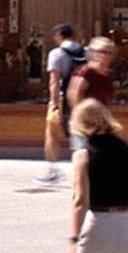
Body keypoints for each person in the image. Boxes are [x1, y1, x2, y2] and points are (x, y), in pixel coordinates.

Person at [68, 97, 128, 251]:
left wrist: (74, 239)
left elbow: (81, 201)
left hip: (98, 224)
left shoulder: (83, 156)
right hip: (127, 225)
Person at [42, 22, 87, 182]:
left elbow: (54, 81)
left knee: (52, 133)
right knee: (83, 132)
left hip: (61, 98)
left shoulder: (56, 54)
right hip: (82, 99)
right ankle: (86, 170)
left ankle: (53, 171)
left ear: (59, 36)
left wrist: (54, 104)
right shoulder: (86, 52)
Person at [67, 35, 120, 119]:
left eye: (109, 53)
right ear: (92, 53)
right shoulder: (85, 71)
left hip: (102, 117)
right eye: (101, 52)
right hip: (86, 118)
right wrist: (80, 117)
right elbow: (74, 95)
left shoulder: (108, 74)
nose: (105, 56)